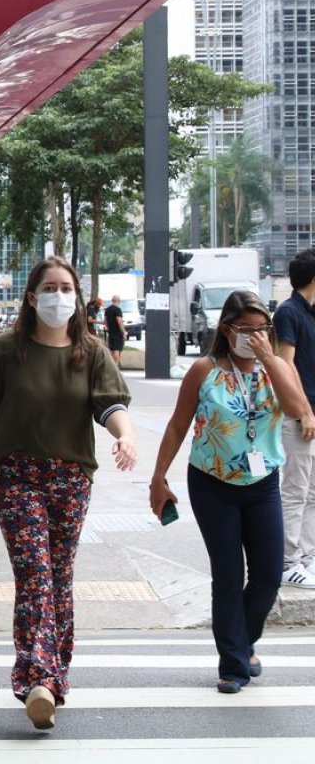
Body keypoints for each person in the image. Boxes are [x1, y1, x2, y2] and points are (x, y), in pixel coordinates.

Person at [0, 256, 136, 731]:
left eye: (66, 287)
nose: (59, 295)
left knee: (59, 575)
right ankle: (39, 679)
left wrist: (125, 435)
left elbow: (109, 405)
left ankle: (54, 676)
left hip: (71, 478)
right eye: (49, 287)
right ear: (32, 296)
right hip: (17, 475)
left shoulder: (91, 352)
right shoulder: (7, 350)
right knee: (34, 573)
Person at [150, 291, 305, 693]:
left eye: (261, 329)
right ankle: (233, 666)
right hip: (211, 482)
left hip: (263, 484)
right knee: (228, 574)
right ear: (226, 329)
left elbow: (297, 408)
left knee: (269, 575)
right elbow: (176, 425)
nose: (253, 336)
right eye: (245, 329)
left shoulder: (277, 368)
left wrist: (270, 358)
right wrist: (159, 477)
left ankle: (243, 640)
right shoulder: (205, 369)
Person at [276, 249, 315, 589]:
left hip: (312, 415)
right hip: (299, 417)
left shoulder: (310, 313)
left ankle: (307, 557)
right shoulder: (288, 312)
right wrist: (303, 410)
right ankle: (289, 562)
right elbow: (285, 366)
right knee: (295, 491)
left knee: (312, 492)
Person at [104, 294, 126, 366]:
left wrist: (109, 328)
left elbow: (105, 321)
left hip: (111, 333)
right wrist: (123, 332)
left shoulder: (107, 310)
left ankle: (111, 366)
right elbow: (119, 321)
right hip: (117, 333)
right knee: (116, 350)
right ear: (119, 301)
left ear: (112, 300)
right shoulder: (117, 309)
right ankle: (115, 367)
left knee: (112, 350)